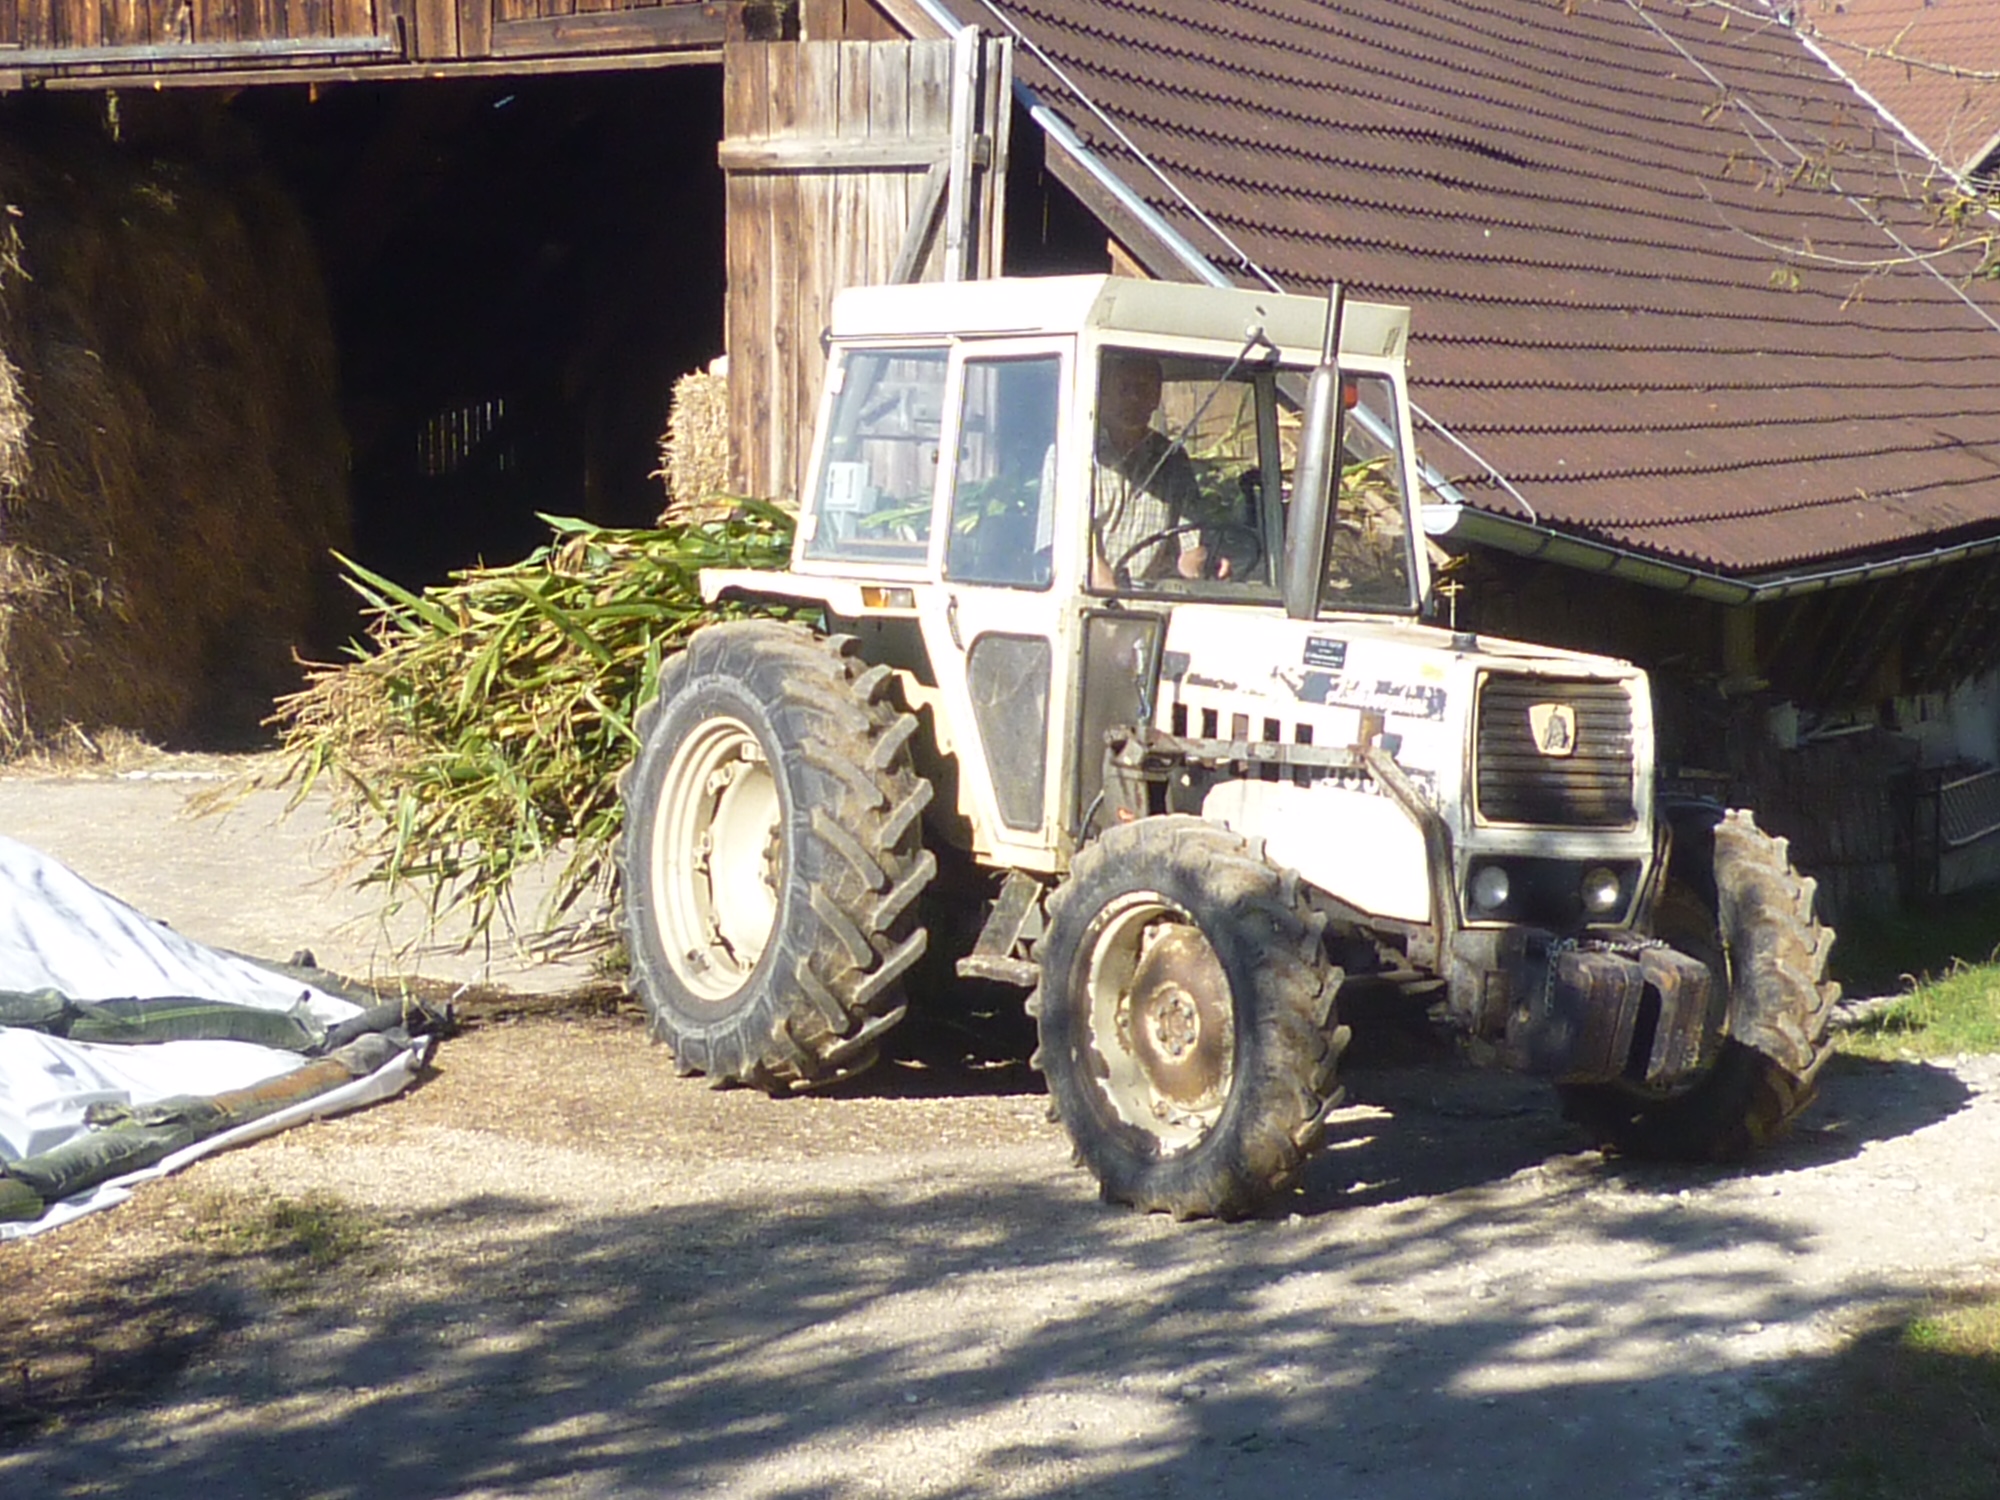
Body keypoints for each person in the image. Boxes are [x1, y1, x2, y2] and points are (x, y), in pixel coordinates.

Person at [1090, 353, 1222, 589]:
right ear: (1104, 394)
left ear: (1156, 397)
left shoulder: (1171, 460)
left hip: (1153, 599)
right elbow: (1068, 544)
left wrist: (1207, 562)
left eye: (1143, 389)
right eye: (1124, 389)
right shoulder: (1078, 453)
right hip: (1091, 602)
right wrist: (1109, 595)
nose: (1134, 399)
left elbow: (1189, 545)